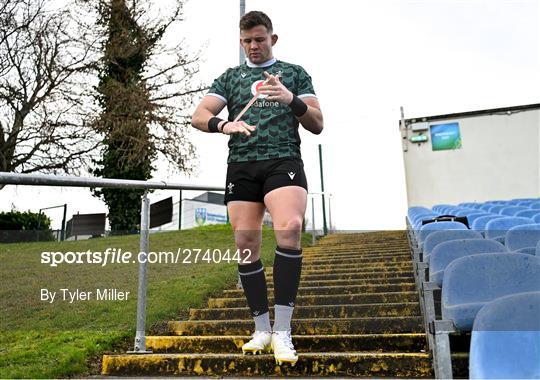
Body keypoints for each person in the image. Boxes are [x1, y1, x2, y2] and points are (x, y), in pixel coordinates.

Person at [191, 10, 323, 366]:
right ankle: (261, 329)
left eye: (260, 39)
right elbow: (199, 114)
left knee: (290, 228)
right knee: (246, 244)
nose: (253, 46)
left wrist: (290, 99)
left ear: (272, 39)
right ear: (241, 41)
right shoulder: (230, 78)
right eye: (247, 41)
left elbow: (317, 123)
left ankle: (283, 332)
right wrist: (223, 125)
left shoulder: (294, 73)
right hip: (243, 164)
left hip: (283, 159)